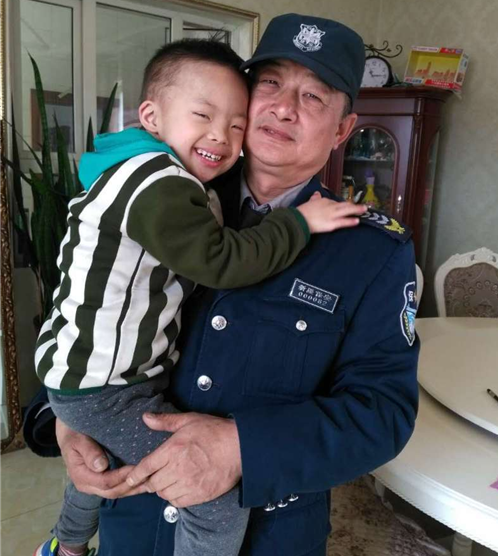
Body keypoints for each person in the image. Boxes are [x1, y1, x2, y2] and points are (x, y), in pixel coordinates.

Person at [35, 13, 420, 556]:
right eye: (270, 83)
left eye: (313, 96)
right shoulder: (171, 196)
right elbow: (85, 299)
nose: (284, 107)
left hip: (264, 533)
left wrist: (241, 447)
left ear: (342, 130)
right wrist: (66, 420)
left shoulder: (372, 251)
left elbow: (382, 414)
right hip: (133, 514)